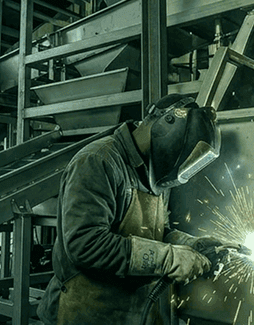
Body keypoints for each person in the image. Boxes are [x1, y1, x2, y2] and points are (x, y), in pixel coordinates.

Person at [37, 94, 228, 325]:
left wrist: (189, 244)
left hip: (133, 312)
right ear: (164, 125)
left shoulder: (155, 173)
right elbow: (85, 244)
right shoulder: (98, 161)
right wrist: (168, 258)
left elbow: (155, 232)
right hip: (87, 313)